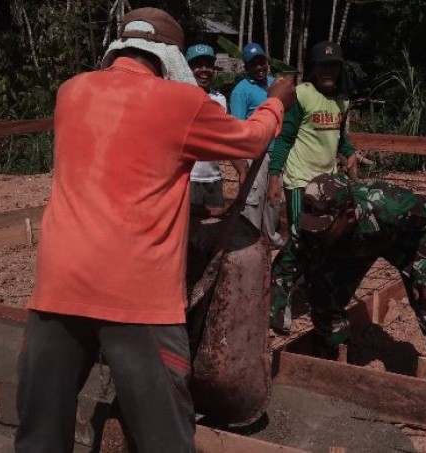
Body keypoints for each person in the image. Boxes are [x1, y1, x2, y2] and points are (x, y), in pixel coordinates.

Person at [15, 8, 295, 453]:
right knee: (164, 436)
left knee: (40, 434)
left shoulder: (71, 92)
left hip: (58, 287)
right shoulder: (180, 104)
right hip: (136, 295)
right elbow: (249, 140)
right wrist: (276, 100)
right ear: (170, 57)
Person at [270, 173, 426, 386]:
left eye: (323, 228)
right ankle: (334, 356)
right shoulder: (308, 225)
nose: (315, 233)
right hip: (349, 248)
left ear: (347, 215)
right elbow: (285, 267)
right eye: (312, 227)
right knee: (321, 292)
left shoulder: (386, 204)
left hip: (398, 238)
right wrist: (278, 313)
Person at [268, 40, 357, 230]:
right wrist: (274, 177)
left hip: (327, 181)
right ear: (314, 68)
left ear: (340, 68)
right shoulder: (302, 95)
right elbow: (284, 138)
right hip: (300, 180)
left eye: (332, 65)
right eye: (322, 65)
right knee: (299, 233)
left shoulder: (342, 101)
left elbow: (338, 135)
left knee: (324, 234)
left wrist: (350, 153)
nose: (327, 71)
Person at [230, 42, 285, 248]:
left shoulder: (275, 85)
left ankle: (270, 240)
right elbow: (238, 127)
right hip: (255, 155)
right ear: (247, 67)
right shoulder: (240, 91)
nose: (260, 67)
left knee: (273, 200)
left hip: (276, 153)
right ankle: (251, 241)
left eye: (261, 61)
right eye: (254, 64)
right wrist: (241, 163)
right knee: (253, 199)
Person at [185, 43, 247, 208]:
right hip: (187, 179)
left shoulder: (219, 99)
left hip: (214, 179)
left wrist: (241, 168)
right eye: (197, 65)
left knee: (213, 231)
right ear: (188, 68)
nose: (204, 70)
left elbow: (223, 139)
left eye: (208, 65)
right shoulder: (180, 98)